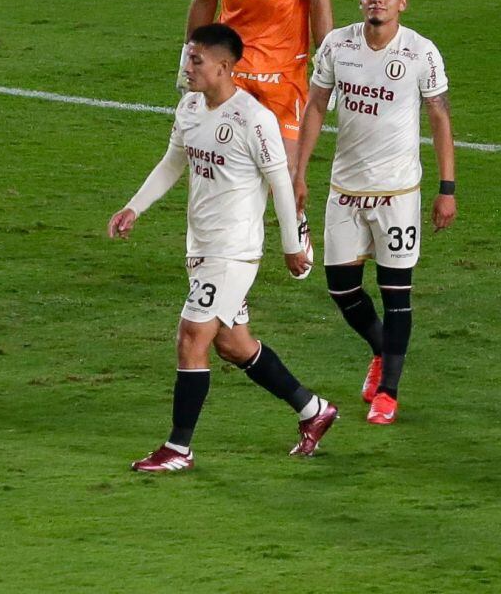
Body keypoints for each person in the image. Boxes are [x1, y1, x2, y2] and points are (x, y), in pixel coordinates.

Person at [111, 23, 337, 471]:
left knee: (191, 336)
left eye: (196, 60)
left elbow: (281, 183)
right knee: (234, 344)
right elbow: (173, 162)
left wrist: (292, 246)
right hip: (200, 246)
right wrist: (134, 207)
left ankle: (178, 448)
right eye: (187, 58)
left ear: (224, 66)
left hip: (233, 251)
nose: (187, 67)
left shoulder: (254, 119)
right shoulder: (190, 108)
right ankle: (314, 410)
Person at [293, 0, 455, 425]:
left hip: (397, 193)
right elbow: (316, 105)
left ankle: (388, 392)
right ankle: (384, 350)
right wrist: (298, 173)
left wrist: (446, 188)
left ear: (402, 2)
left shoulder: (421, 52)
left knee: (395, 292)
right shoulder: (337, 45)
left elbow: (440, 118)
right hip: (345, 189)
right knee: (341, 287)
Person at [181, 0, 334, 275]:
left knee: (282, 170)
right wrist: (190, 54)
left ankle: (295, 220)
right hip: (233, 66)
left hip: (285, 69)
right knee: (224, 163)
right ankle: (231, 254)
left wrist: (329, 58)